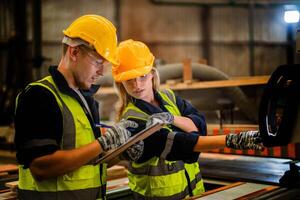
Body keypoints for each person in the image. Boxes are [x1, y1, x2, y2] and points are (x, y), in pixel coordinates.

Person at [112, 39, 264, 199]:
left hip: (193, 192)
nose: (137, 85)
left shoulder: (169, 96)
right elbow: (180, 144)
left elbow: (199, 124)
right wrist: (232, 140)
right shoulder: (131, 119)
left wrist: (171, 119)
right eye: (129, 79)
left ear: (151, 74)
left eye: (142, 76)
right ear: (121, 82)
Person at [14, 15, 137, 200]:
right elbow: (41, 167)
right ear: (74, 52)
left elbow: (89, 162)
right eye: (97, 62)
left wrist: (122, 152)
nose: (101, 72)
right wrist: (101, 144)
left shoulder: (85, 100)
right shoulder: (40, 96)